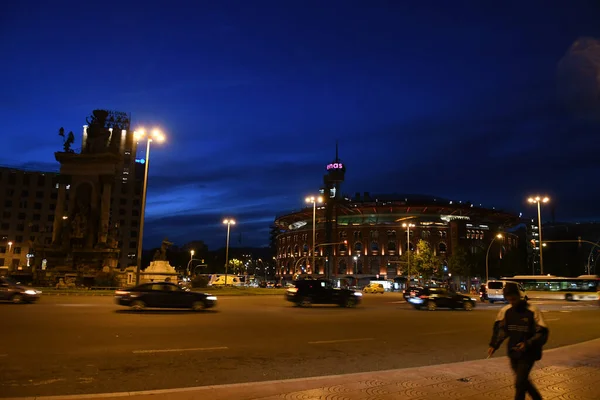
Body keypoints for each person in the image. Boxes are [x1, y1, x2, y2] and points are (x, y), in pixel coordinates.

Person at [488, 283, 549, 400]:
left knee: (520, 383)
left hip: (529, 353)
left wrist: (528, 343)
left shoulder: (532, 310)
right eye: (509, 300)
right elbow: (501, 331)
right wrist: (494, 345)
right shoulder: (506, 311)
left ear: (519, 295)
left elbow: (542, 332)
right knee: (523, 381)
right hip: (513, 352)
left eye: (514, 299)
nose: (512, 302)